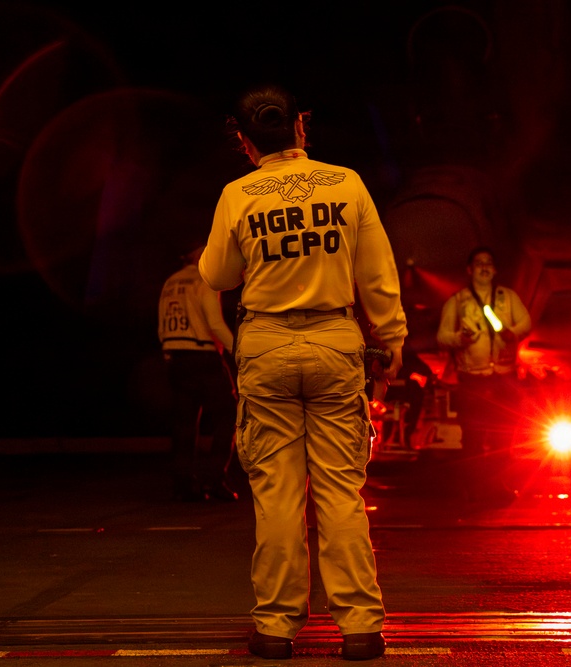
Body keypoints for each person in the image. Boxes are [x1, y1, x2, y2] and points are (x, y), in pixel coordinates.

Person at [198, 83, 406, 661]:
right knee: (341, 491)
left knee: (278, 495)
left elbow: (217, 275)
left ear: (245, 143)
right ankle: (360, 626)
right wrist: (391, 338)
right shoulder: (346, 184)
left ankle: (276, 628)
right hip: (335, 340)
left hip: (265, 344)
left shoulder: (237, 195)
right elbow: (377, 274)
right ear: (300, 127)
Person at [436, 246, 531, 503]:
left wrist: (513, 333)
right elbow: (442, 337)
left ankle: (497, 486)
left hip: (504, 376)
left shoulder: (508, 298)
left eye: (488, 263)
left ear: (495, 269)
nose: (484, 267)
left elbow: (526, 322)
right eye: (479, 263)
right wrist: (460, 338)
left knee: (503, 436)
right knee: (473, 437)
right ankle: (473, 489)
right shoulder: (457, 301)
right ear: (470, 270)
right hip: (473, 378)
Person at [157, 246, 239, 502]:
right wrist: (240, 351)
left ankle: (183, 484)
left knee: (184, 423)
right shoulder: (206, 279)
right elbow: (215, 324)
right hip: (204, 357)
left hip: (176, 358)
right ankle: (214, 479)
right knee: (228, 415)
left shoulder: (170, 282)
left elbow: (162, 324)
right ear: (198, 255)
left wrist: (168, 354)